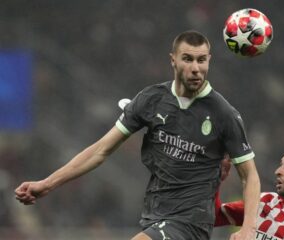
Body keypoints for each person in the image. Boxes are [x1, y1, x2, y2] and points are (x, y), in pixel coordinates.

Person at [14, 30, 261, 240]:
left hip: (192, 222)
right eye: (188, 59)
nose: (196, 68)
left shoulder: (224, 114)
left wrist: (248, 229)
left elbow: (250, 175)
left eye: (201, 60)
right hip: (155, 215)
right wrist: (46, 184)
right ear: (173, 60)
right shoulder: (151, 100)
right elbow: (101, 150)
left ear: (209, 61)